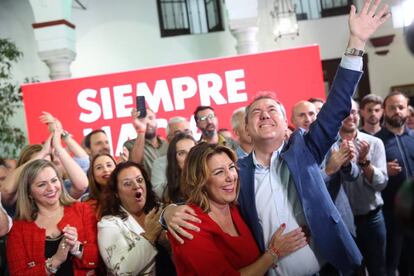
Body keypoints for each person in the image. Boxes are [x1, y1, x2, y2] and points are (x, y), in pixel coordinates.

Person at [163, 2, 389, 274]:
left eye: (273, 110)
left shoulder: (306, 149)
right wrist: (167, 214)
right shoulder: (237, 175)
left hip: (332, 269)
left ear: (286, 125)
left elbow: (338, 104)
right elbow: (206, 202)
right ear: (246, 128)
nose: (265, 114)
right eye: (256, 112)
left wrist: (357, 41)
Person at [169, 142, 307, 275]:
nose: (230, 176)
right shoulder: (189, 224)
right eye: (219, 172)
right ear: (199, 181)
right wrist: (273, 253)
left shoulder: (235, 207)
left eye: (231, 167)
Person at [324, 100, 388, 275]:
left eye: (353, 111)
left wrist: (364, 162)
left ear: (358, 114)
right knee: (353, 271)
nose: (349, 116)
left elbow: (381, 183)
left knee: (378, 269)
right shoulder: (328, 146)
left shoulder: (374, 143)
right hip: (342, 223)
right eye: (344, 112)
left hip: (371, 218)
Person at [7, 159, 98, 275]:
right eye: (41, 184)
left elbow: (96, 260)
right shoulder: (18, 228)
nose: (51, 188)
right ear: (29, 192)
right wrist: (56, 260)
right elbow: (17, 273)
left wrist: (76, 247)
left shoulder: (82, 210)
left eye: (54, 180)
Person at [97, 161, 167, 275]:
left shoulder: (159, 209)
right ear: (116, 193)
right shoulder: (108, 224)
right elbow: (121, 271)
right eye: (127, 183)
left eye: (139, 180)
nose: (136, 186)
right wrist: (149, 237)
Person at [375, 90, 414, 276]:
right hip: (390, 214)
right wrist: (384, 170)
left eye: (401, 107)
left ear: (407, 111)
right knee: (391, 264)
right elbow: (369, 178)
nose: (397, 111)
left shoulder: (413, 138)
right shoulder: (376, 142)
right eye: (392, 108)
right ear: (384, 111)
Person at [151, 116, 193, 198]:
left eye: (187, 132)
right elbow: (158, 193)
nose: (183, 135)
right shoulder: (160, 163)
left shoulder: (205, 158)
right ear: (168, 139)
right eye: (178, 133)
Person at [124, 108, 168, 176]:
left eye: (150, 118)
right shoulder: (129, 145)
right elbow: (135, 164)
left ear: (156, 121)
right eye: (142, 119)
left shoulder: (167, 144)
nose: (147, 122)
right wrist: (141, 130)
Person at [163, 133, 197, 203]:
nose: (188, 157)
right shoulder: (169, 193)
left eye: (192, 151)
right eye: (181, 153)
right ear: (173, 159)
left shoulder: (210, 183)